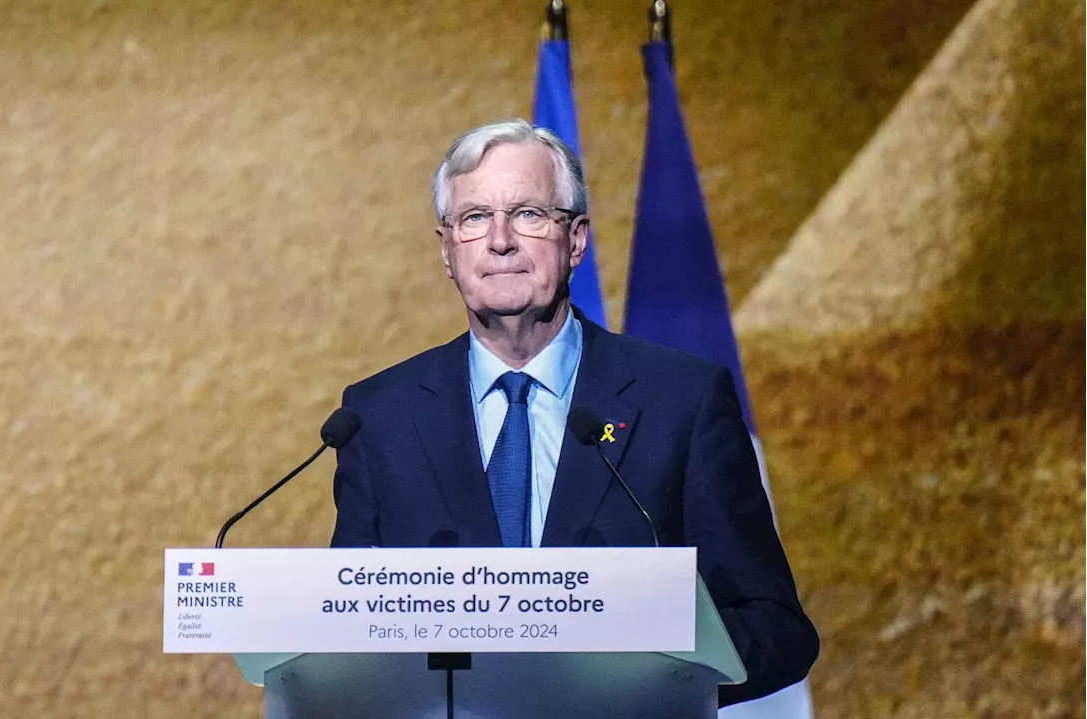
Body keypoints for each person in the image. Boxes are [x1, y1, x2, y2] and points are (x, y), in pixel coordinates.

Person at [329, 118, 818, 705]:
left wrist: (646, 677)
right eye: (475, 218)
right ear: (447, 250)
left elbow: (775, 626)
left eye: (530, 214)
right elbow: (346, 630)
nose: (501, 240)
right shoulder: (378, 417)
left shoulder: (681, 402)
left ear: (577, 240)